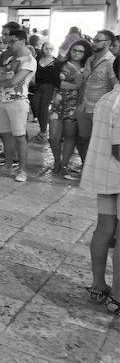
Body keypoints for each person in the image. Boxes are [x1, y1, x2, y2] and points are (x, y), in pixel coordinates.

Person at [81, 56, 120, 315]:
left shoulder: (107, 99)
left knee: (104, 227)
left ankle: (98, 284)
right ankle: (117, 295)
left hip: (105, 173)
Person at [0, 29, 37, 183]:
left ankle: (22, 170)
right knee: (5, 135)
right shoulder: (9, 58)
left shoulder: (29, 60)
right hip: (3, 100)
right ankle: (8, 164)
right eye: (8, 41)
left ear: (22, 41)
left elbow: (13, 81)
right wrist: (3, 80)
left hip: (18, 101)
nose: (8, 44)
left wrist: (2, 80)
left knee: (20, 136)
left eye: (12, 41)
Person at [49, 40, 90, 180]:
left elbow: (83, 84)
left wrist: (72, 83)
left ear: (85, 54)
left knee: (70, 136)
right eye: (74, 50)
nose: (76, 53)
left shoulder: (87, 67)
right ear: (70, 50)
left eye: (80, 51)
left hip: (74, 106)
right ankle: (57, 161)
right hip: (57, 104)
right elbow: (55, 81)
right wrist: (75, 86)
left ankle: (64, 165)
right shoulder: (60, 64)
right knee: (53, 137)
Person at [76, 30, 119, 165]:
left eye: (97, 40)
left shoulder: (111, 61)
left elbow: (114, 87)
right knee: (82, 139)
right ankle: (84, 169)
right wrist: (79, 104)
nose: (93, 43)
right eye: (94, 40)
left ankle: (92, 172)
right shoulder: (89, 59)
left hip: (99, 109)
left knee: (97, 144)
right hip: (84, 106)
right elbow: (84, 83)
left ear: (107, 43)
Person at [31, 41, 58, 143]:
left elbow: (57, 77)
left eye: (51, 49)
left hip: (49, 87)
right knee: (35, 105)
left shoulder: (56, 62)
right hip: (37, 86)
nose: (48, 50)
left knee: (44, 108)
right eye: (46, 48)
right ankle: (42, 129)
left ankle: (43, 131)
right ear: (43, 49)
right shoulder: (37, 59)